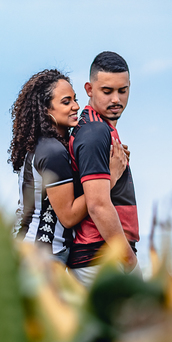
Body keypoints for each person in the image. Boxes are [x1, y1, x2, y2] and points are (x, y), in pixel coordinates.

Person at [9, 69, 127, 263]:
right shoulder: (53, 152)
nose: (76, 106)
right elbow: (69, 216)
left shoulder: (41, 145)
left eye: (75, 99)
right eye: (66, 102)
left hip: (28, 250)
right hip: (42, 256)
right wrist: (111, 176)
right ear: (45, 109)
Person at [67, 51, 138, 285]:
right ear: (89, 89)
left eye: (122, 90)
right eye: (107, 91)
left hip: (103, 256)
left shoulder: (100, 128)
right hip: (101, 258)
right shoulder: (95, 132)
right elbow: (98, 205)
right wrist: (130, 262)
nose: (116, 99)